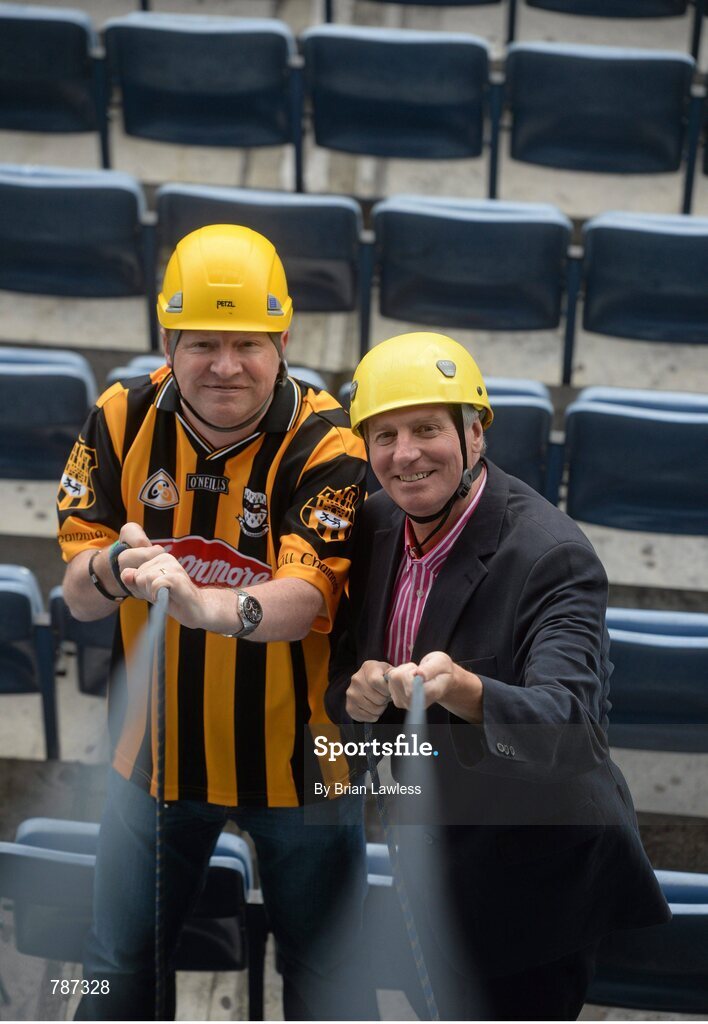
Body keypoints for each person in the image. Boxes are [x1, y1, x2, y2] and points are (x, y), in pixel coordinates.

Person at [57, 224, 369, 1021]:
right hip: (152, 760)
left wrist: (204, 606)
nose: (225, 365)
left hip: (301, 767)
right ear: (168, 339)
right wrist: (112, 569)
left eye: (247, 343)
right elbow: (77, 594)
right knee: (113, 967)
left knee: (330, 984)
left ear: (282, 340)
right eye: (202, 343)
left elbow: (304, 600)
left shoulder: (331, 442)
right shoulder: (121, 416)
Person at [326, 331, 671, 1021]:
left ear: (476, 433)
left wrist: (468, 691)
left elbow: (571, 730)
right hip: (432, 849)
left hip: (534, 877)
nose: (405, 454)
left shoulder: (552, 555)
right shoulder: (374, 523)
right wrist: (356, 693)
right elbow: (342, 679)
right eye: (385, 435)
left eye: (427, 428)